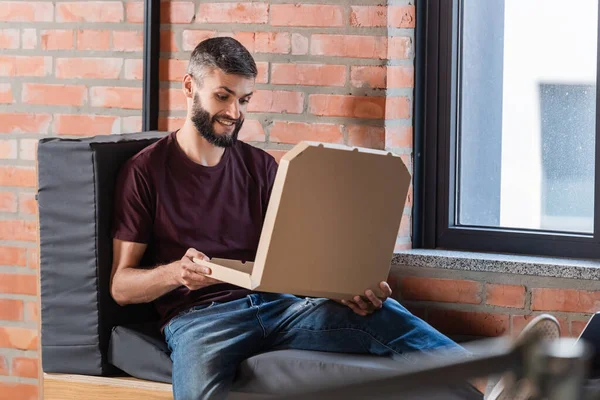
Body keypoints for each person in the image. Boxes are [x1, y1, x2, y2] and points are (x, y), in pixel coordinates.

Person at [109, 37, 484, 399]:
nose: (234, 113)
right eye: (222, 96)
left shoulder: (260, 167)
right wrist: (177, 272)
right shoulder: (145, 171)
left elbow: (299, 257)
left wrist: (347, 289)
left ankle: (499, 385)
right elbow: (121, 287)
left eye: (244, 100)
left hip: (279, 308)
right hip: (201, 321)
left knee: (386, 314)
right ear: (190, 87)